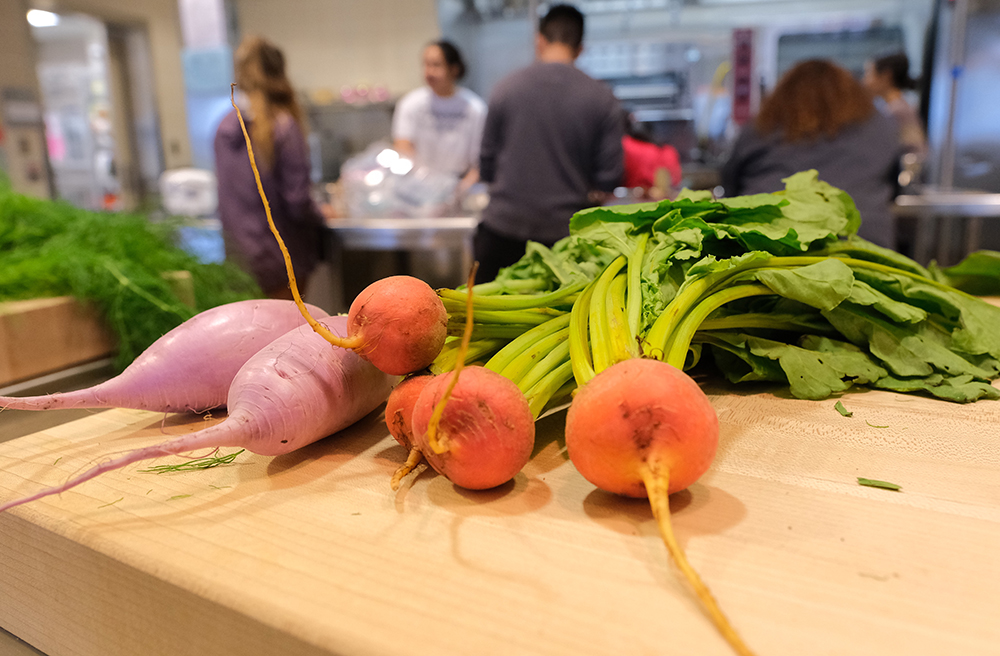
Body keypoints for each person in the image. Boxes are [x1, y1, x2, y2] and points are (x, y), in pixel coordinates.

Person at [475, 4, 624, 283]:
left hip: (502, 232)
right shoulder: (602, 99)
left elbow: (486, 164)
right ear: (580, 48)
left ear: (539, 41)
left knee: (483, 321)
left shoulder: (506, 88)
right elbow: (608, 179)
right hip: (565, 242)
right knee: (560, 324)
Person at [721, 59, 901, 249]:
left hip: (764, 249)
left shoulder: (760, 128)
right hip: (863, 251)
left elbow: (731, 185)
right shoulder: (881, 127)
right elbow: (893, 187)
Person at [214, 36, 325, 300]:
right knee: (287, 338)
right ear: (281, 73)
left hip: (239, 262)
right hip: (281, 262)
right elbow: (298, 202)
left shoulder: (225, 127)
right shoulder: (283, 127)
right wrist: (321, 215)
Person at [392, 40, 487, 191]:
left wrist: (460, 190)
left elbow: (481, 161)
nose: (429, 72)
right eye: (426, 65)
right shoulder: (410, 104)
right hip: (419, 187)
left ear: (454, 69)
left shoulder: (475, 108)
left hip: (460, 185)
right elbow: (403, 147)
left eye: (436, 65)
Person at [863, 52, 927, 158]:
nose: (864, 80)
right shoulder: (897, 105)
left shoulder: (896, 111)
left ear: (886, 76)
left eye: (869, 73)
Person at [621, 111, 683, 199]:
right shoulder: (669, 150)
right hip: (667, 200)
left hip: (635, 200)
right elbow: (676, 182)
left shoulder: (627, 145)